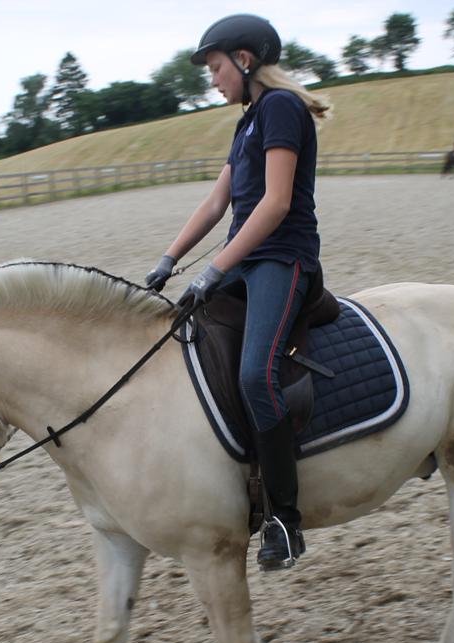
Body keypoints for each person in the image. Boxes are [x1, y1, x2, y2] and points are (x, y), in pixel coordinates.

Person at [144, 13, 330, 572]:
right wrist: (169, 259)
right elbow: (215, 203)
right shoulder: (248, 120)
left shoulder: (280, 108)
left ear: (245, 60)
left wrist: (213, 270)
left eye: (217, 67)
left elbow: (274, 203)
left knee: (255, 374)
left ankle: (285, 519)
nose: (213, 78)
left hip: (282, 259)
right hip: (245, 262)